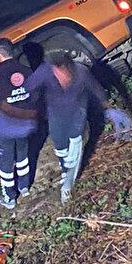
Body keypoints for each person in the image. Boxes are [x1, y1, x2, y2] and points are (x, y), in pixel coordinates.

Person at [26, 52, 105, 203]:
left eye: (62, 73)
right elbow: (28, 88)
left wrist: (108, 108)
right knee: (60, 146)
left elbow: (97, 91)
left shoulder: (81, 72)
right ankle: (64, 171)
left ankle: (68, 185)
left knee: (74, 146)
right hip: (56, 114)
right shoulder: (45, 72)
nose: (60, 78)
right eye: (56, 74)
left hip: (77, 113)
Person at [0, 38, 40, 210]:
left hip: (6, 129)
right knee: (23, 155)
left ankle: (9, 197)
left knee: (6, 163)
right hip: (25, 125)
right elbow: (35, 96)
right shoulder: (27, 71)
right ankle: (24, 187)